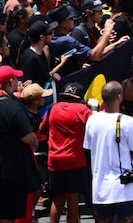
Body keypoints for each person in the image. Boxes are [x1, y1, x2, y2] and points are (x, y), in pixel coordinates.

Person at [83, 81, 133, 223]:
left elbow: (89, 148)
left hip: (100, 189)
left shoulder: (92, 120)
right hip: (124, 189)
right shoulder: (127, 121)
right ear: (119, 97)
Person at [0, 65, 42, 223]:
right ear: (10, 82)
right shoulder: (11, 106)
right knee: (8, 216)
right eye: (16, 78)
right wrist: (35, 140)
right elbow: (28, 137)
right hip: (11, 170)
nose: (18, 81)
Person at [42, 81, 93, 223]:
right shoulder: (83, 110)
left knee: (57, 199)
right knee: (73, 200)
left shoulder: (53, 108)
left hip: (55, 160)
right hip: (75, 160)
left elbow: (42, 129)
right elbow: (93, 130)